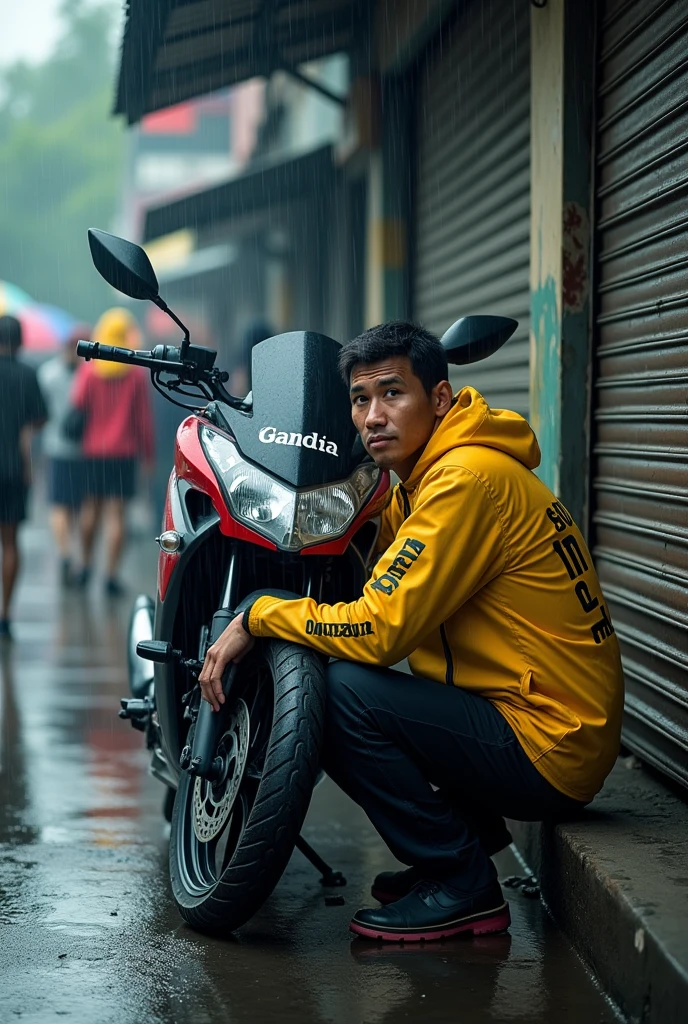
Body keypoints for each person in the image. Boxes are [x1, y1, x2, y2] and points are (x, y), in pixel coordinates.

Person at [198, 321, 624, 943]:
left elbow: (376, 630)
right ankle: (460, 843)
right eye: (360, 399)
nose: (373, 416)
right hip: (542, 716)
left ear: (441, 400)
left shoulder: (464, 483)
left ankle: (461, 879)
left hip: (549, 742)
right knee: (363, 680)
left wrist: (259, 613)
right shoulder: (428, 477)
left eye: (393, 394)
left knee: (341, 692)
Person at [70, 308, 154, 596]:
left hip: (93, 451)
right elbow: (143, 420)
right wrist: (149, 456)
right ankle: (110, 575)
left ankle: (84, 565)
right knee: (117, 514)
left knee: (90, 509)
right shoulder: (134, 375)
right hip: (124, 454)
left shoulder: (89, 370)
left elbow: (77, 404)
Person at [0, 315, 47, 637]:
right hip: (14, 468)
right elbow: (40, 418)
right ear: (19, 341)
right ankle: (5, 616)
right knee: (10, 542)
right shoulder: (28, 374)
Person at [37, 324, 91, 585]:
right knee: (79, 508)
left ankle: (66, 554)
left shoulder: (47, 374)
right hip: (85, 451)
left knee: (59, 506)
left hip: (56, 448)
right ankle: (78, 558)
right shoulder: (91, 374)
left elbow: (40, 414)